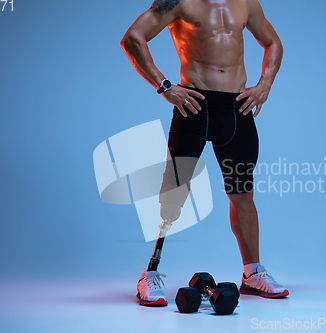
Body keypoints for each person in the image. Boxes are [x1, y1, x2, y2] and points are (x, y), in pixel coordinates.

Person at [121, 0, 288, 306]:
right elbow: (133, 37)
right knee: (173, 192)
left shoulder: (246, 3)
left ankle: (252, 274)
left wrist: (264, 85)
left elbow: (272, 42)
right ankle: (150, 274)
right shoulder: (178, 2)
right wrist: (164, 86)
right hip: (194, 106)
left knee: (243, 193)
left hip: (237, 109)